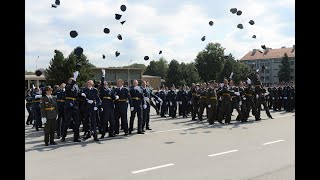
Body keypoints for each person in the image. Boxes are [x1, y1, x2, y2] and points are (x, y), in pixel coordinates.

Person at [61, 71, 81, 142]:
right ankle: (63, 136)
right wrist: (74, 78)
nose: (72, 80)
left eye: (73, 79)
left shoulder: (76, 86)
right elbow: (69, 89)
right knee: (67, 122)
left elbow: (78, 94)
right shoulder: (67, 86)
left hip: (75, 104)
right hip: (68, 105)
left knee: (77, 122)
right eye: (71, 80)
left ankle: (76, 137)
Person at [99, 69, 116, 138]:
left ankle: (111, 133)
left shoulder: (110, 90)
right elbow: (102, 83)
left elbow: (113, 97)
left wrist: (115, 97)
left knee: (112, 121)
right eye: (104, 83)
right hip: (105, 106)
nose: (105, 84)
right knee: (104, 121)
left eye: (106, 83)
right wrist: (103, 75)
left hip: (111, 106)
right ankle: (103, 134)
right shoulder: (102, 89)